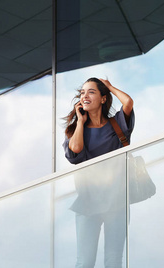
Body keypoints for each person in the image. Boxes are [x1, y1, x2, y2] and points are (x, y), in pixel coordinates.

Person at [63, 77, 134, 268]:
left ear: (103, 99)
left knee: (113, 260)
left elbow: (127, 102)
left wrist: (110, 86)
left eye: (91, 92)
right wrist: (80, 122)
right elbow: (75, 152)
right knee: (84, 262)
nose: (84, 96)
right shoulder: (75, 131)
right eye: (82, 93)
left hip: (116, 202)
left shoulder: (116, 124)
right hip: (88, 202)